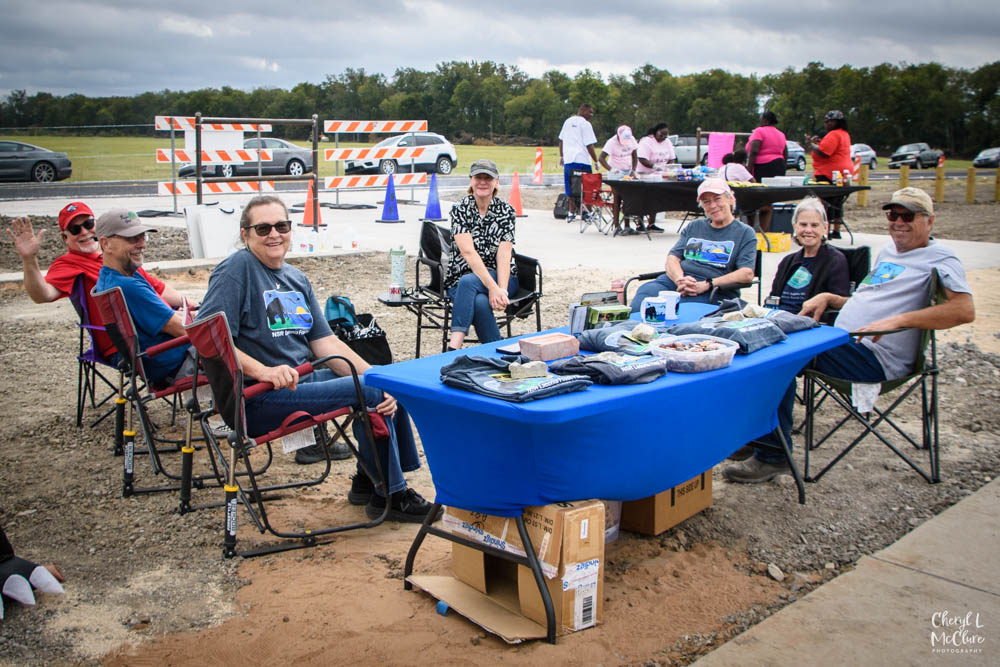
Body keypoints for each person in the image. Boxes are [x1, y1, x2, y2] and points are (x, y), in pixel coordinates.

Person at [196, 195, 437, 522]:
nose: (274, 234)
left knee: (387, 380)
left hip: (302, 384)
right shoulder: (236, 270)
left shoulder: (295, 278)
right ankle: (392, 494)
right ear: (245, 234)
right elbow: (209, 339)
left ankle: (370, 482)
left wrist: (382, 379)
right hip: (258, 397)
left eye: (281, 226)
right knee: (370, 389)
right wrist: (264, 371)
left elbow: (325, 343)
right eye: (263, 228)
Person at [724, 187, 975, 483]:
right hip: (845, 340)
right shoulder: (890, 251)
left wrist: (899, 321)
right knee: (758, 337)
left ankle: (773, 454)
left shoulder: (941, 258)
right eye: (893, 214)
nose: (898, 222)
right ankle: (759, 434)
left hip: (875, 359)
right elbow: (870, 299)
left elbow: (963, 310)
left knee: (776, 353)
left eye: (907, 215)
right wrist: (831, 297)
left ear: (929, 221)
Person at [5, 202, 183, 360]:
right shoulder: (67, 264)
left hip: (151, 328)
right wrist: (29, 259)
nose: (84, 232)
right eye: (75, 230)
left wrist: (196, 305)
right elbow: (43, 295)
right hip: (132, 343)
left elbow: (159, 289)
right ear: (65, 238)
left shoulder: (122, 260)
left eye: (88, 224)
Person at [93, 209, 193, 386]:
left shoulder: (117, 276)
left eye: (142, 237)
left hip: (166, 360)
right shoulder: (126, 286)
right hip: (180, 362)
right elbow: (182, 330)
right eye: (132, 239)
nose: (141, 244)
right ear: (105, 244)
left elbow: (169, 317)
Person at [629, 178, 756, 310]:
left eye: (717, 199)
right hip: (678, 282)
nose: (712, 205)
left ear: (730, 199)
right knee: (646, 293)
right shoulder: (695, 226)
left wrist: (708, 284)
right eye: (706, 202)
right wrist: (680, 280)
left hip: (715, 289)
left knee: (681, 308)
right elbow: (673, 258)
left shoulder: (745, 232)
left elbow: (746, 273)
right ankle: (627, 328)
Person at [445, 159, 519, 350]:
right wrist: (492, 288)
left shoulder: (506, 211)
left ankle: (453, 348)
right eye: (478, 177)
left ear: (497, 182)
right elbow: (468, 252)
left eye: (488, 178)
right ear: (470, 181)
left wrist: (500, 290)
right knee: (476, 295)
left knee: (471, 283)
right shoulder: (460, 209)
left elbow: (504, 254)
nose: (483, 182)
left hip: (502, 276)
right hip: (459, 279)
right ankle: (499, 352)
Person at [767, 197, 849, 314]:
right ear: (795, 227)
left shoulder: (834, 260)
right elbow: (773, 298)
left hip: (808, 322)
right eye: (803, 225)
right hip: (778, 317)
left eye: (814, 225)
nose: (808, 230)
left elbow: (845, 302)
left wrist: (826, 298)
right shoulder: (788, 261)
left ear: (825, 228)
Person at [804, 110, 852, 238]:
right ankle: (836, 230)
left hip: (828, 172)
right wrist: (819, 142)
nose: (827, 124)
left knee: (826, 202)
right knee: (837, 202)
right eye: (826, 122)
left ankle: (825, 231)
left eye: (829, 122)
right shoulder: (844, 134)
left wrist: (811, 145)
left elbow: (825, 152)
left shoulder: (834, 135)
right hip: (843, 173)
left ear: (837, 122)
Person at [746, 111, 787, 233]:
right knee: (769, 201)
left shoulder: (759, 131)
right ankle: (765, 230)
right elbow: (785, 153)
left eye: (761, 119)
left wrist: (748, 170)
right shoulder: (781, 134)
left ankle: (752, 230)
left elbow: (754, 151)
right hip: (778, 166)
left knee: (754, 200)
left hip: (762, 167)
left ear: (765, 120)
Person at [558, 104, 599, 220]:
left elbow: (561, 140)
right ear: (582, 110)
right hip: (582, 161)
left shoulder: (567, 121)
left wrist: (562, 156)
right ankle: (587, 213)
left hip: (569, 160)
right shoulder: (585, 124)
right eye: (589, 112)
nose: (591, 115)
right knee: (587, 188)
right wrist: (596, 160)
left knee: (570, 186)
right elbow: (589, 144)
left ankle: (571, 212)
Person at [635, 123, 677, 232]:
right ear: (655, 132)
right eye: (661, 135)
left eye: (665, 136)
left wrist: (668, 167)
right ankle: (640, 224)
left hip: (660, 175)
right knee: (644, 199)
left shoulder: (667, 142)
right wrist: (654, 166)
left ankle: (651, 223)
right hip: (645, 174)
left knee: (655, 198)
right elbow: (642, 158)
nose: (663, 138)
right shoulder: (646, 141)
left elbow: (672, 158)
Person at [598, 125, 639, 235]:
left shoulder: (632, 139)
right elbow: (601, 158)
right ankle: (617, 226)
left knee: (627, 198)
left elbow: (635, 156)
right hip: (616, 172)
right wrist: (611, 169)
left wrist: (633, 170)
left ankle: (627, 225)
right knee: (617, 198)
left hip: (627, 172)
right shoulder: (611, 142)